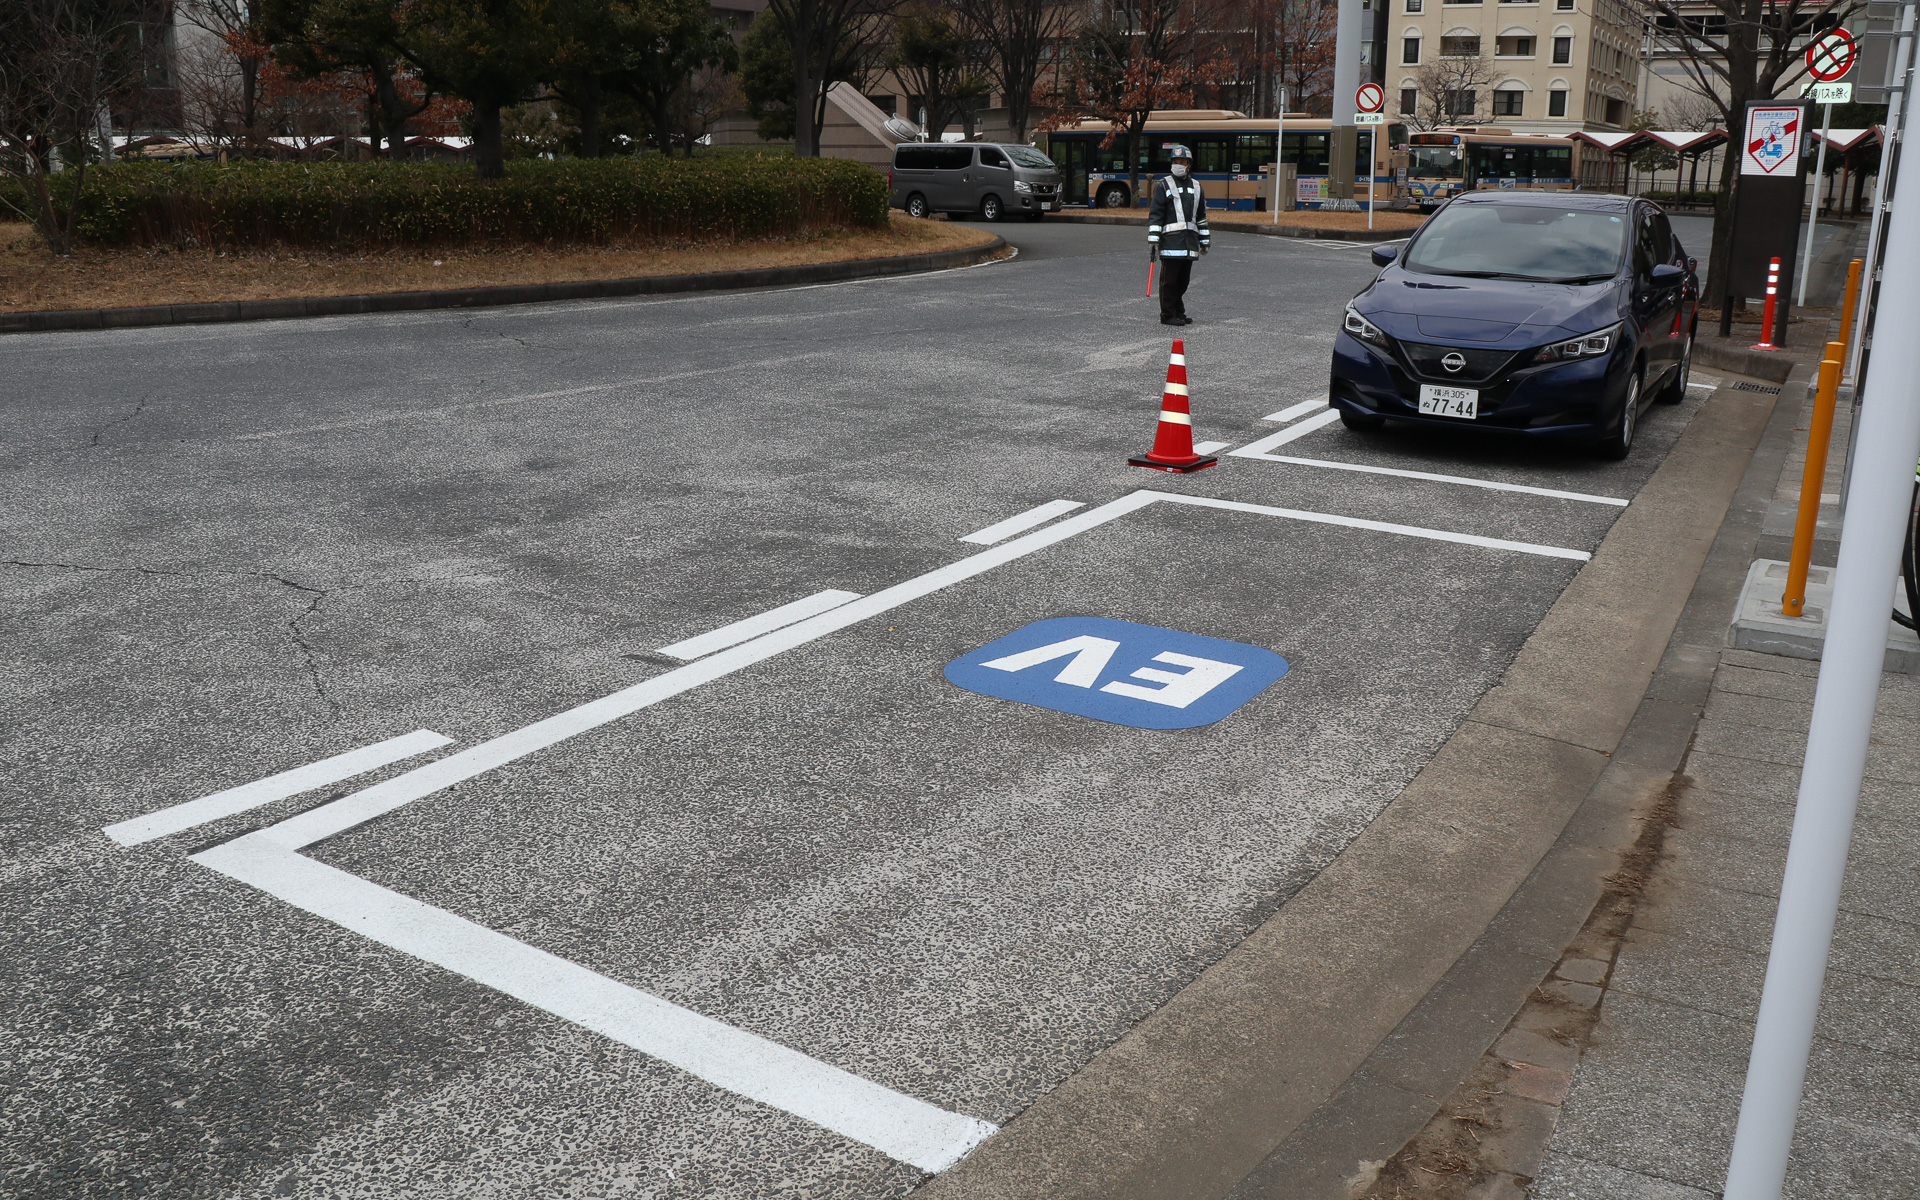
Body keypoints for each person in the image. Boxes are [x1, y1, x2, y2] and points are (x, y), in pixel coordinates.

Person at [1147, 145, 1210, 326]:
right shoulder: (1163, 185)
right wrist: (1153, 238)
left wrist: (1205, 240)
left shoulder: (1197, 187)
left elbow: (1201, 216)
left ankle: (1178, 311)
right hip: (1171, 243)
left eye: (1181, 162)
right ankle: (1167, 314)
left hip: (1189, 243)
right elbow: (1156, 214)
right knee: (1169, 282)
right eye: (1175, 161)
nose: (1178, 165)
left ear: (1189, 164)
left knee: (1183, 282)